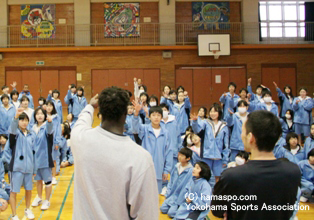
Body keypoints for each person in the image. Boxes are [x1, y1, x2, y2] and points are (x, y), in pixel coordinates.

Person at [71, 87, 159, 219]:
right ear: (125, 114)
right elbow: (147, 214)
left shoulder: (80, 139)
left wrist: (90, 106)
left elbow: (82, 121)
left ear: (100, 112)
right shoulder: (141, 158)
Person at [212, 110, 301, 220]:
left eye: (242, 131)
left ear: (250, 137)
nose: (241, 135)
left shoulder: (231, 176)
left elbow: (217, 210)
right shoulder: (293, 171)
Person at [132, 103, 172, 193]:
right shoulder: (144, 129)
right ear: (149, 117)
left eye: (158, 115)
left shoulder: (166, 133)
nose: (156, 117)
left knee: (155, 195)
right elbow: (135, 128)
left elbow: (169, 152)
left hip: (159, 169)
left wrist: (166, 170)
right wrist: (136, 113)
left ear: (161, 117)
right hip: (144, 169)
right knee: (143, 194)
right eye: (153, 115)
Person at [191, 103, 229, 183]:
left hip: (219, 157)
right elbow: (197, 130)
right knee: (205, 176)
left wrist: (225, 159)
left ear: (219, 113)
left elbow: (226, 144)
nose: (213, 113)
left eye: (215, 111)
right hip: (206, 155)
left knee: (217, 178)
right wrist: (194, 122)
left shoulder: (224, 126)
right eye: (211, 111)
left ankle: (215, 194)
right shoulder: (205, 122)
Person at [9, 109, 36, 220]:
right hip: (16, 168)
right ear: (18, 121)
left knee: (28, 189)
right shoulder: (15, 134)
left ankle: (27, 209)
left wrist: (34, 169)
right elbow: (12, 130)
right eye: (22, 120)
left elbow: (34, 152)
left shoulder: (31, 135)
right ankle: (14, 214)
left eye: (26, 120)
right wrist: (15, 118)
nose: (24, 122)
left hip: (29, 168)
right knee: (14, 191)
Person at [31, 107, 54, 210]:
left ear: (45, 116)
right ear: (35, 116)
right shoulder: (32, 128)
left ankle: (47, 200)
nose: (39, 115)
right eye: (37, 114)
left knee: (47, 181)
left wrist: (49, 122)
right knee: (38, 180)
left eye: (41, 114)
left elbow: (50, 130)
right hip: (35, 160)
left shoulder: (46, 127)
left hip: (45, 158)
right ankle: (39, 197)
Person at [160, 148, 193, 218]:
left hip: (181, 197)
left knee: (171, 214)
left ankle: (185, 210)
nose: (179, 157)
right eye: (179, 155)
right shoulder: (176, 166)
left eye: (182, 155)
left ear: (188, 158)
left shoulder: (190, 171)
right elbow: (171, 181)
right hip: (172, 195)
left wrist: (182, 199)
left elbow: (189, 187)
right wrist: (168, 193)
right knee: (163, 209)